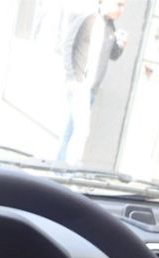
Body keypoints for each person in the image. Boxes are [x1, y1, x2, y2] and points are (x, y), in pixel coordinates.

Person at [56, 0, 128, 165]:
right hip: (79, 84)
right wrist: (71, 78)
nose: (121, 10)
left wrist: (121, 45)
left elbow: (113, 55)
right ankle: (72, 172)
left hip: (91, 89)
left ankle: (58, 168)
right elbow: (67, 44)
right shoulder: (88, 17)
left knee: (70, 130)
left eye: (123, 6)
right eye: (119, 4)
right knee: (82, 131)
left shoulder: (110, 26)